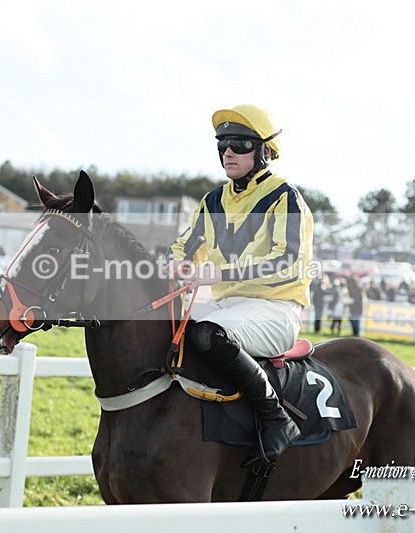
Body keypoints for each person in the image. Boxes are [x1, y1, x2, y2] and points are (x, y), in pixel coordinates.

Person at [167, 104, 314, 466]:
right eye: (222, 144)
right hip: (228, 307)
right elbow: (185, 248)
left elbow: (289, 262)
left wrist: (220, 275)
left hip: (276, 309)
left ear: (264, 151)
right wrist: (176, 267)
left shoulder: (285, 197)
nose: (228, 151)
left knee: (206, 335)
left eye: (240, 143)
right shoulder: (213, 200)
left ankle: (276, 418)